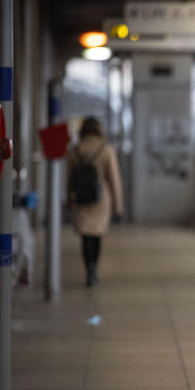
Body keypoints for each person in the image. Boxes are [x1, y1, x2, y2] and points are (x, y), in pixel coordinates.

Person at [66, 117, 124, 287]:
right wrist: (118, 206)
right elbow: (114, 179)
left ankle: (88, 268)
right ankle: (94, 270)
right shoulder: (106, 150)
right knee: (97, 235)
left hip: (81, 197)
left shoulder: (74, 150)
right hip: (100, 198)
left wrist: (69, 198)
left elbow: (69, 178)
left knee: (85, 236)